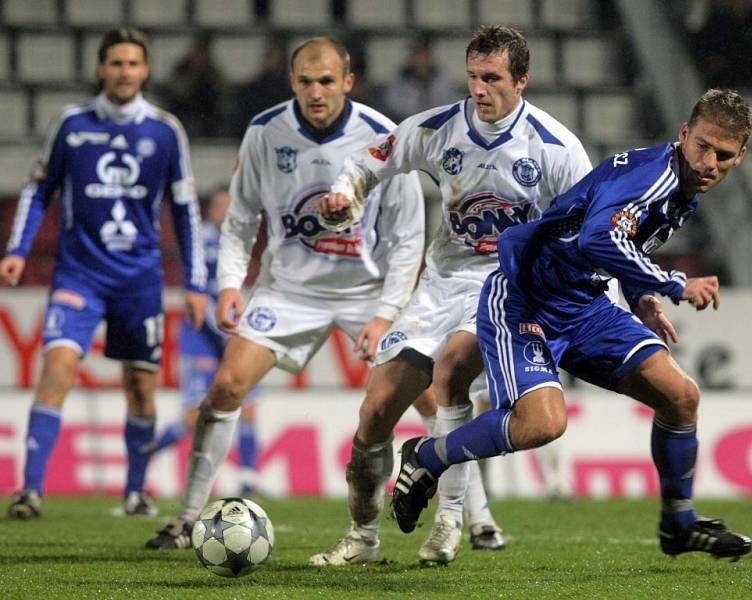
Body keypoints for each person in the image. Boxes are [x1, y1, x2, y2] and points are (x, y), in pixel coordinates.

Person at [390, 88, 752, 561]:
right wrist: (670, 283)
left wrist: (641, 294)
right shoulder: (655, 176)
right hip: (526, 297)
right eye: (703, 145)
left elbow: (619, 242)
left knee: (680, 395)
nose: (710, 161)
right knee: (541, 425)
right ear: (684, 134)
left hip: (585, 304)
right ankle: (426, 457)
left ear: (740, 158)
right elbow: (600, 237)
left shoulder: (679, 189)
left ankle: (680, 524)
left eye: (723, 155)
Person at [317, 25, 593, 565]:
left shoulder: (555, 147)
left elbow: (595, 224)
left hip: (507, 289)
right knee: (375, 413)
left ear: (521, 81)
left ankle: (448, 523)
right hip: (440, 283)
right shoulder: (438, 129)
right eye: (472, 77)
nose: (479, 90)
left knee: (453, 371)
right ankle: (363, 539)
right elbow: (367, 163)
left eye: (492, 79)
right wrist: (342, 194)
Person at [143, 37, 427, 554]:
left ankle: (467, 518)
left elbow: (409, 236)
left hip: (365, 291)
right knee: (226, 387)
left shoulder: (384, 135)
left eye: (326, 81)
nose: (315, 92)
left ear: (348, 81)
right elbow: (241, 218)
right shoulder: (265, 132)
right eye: (305, 81)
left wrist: (386, 313)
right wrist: (230, 282)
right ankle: (185, 521)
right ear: (291, 81)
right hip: (288, 289)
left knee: (431, 393)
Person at [3, 27, 207, 519]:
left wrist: (197, 282)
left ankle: (136, 492)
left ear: (146, 70)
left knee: (140, 385)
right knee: (58, 368)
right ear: (100, 69)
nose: (124, 72)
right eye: (115, 63)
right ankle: (30, 490)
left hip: (139, 279)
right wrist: (18, 249)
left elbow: (185, 211)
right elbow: (37, 191)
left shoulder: (164, 130)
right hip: (79, 276)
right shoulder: (71, 125)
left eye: (133, 63)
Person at [145, 187, 262, 495]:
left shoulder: (237, 240)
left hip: (230, 333)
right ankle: (146, 457)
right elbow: (201, 293)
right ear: (210, 209)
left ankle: (249, 480)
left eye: (230, 205)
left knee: (248, 406)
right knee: (194, 417)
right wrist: (225, 332)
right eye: (221, 205)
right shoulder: (201, 241)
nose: (226, 211)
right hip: (201, 336)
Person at [382, 42, 457, 122]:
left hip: (436, 120)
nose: (422, 61)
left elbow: (449, 100)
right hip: (407, 120)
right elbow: (392, 102)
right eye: (419, 58)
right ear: (412, 59)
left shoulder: (440, 77)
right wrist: (415, 107)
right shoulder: (402, 77)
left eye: (425, 58)